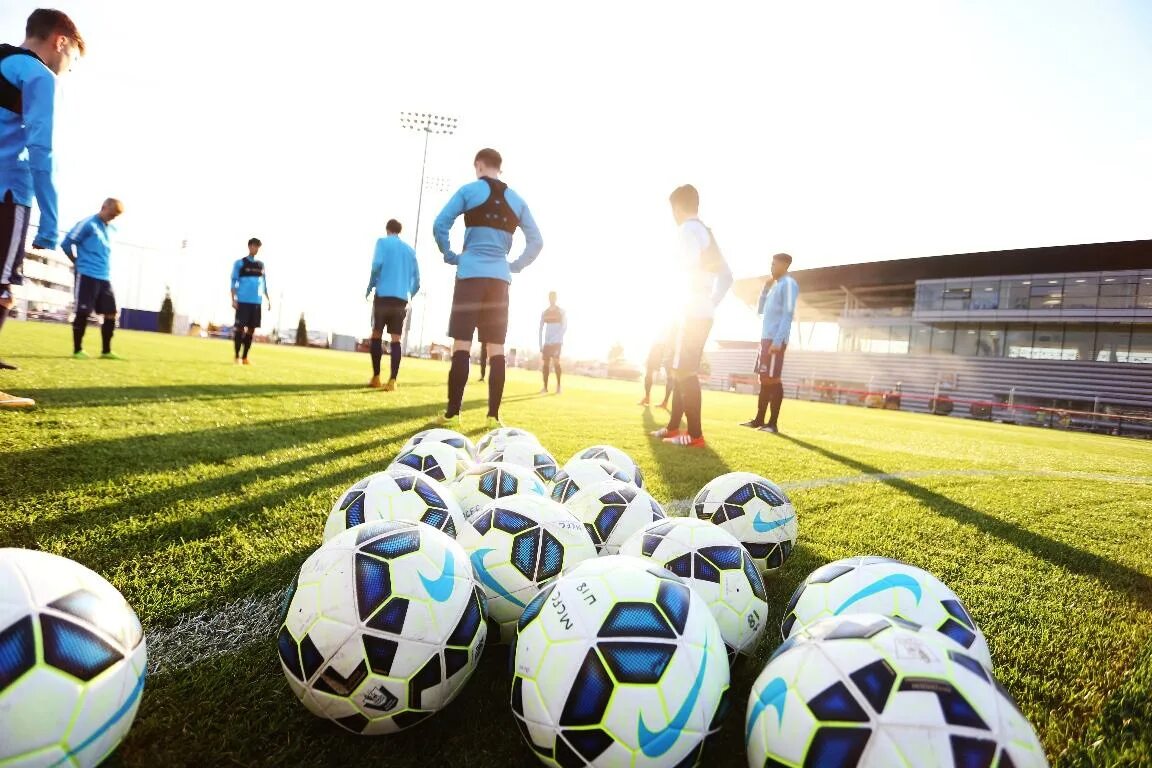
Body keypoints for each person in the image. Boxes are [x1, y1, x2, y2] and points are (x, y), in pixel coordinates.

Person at [0, 9, 84, 407]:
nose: (68, 69)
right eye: (72, 60)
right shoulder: (38, 77)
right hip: (7, 194)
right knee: (2, 290)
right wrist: (50, 220)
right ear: (60, 41)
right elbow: (40, 151)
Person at [433, 148, 542, 429]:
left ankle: (453, 413)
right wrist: (514, 265)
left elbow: (440, 224)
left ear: (479, 165)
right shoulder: (517, 200)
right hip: (498, 280)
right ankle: (493, 416)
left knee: (462, 345)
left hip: (470, 275)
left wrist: (449, 253)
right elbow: (536, 241)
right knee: (496, 348)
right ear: (499, 168)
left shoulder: (469, 190)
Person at [649, 184, 732, 447]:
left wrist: (693, 301)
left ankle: (695, 436)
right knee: (679, 370)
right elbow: (727, 277)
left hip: (690, 309)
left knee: (684, 372)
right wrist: (710, 302)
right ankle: (674, 428)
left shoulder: (687, 230)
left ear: (677, 207)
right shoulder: (707, 233)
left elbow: (683, 268)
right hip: (702, 309)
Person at [741, 253, 798, 433]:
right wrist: (765, 290)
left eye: (775, 264)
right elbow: (761, 311)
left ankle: (772, 424)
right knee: (764, 379)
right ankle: (759, 420)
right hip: (765, 339)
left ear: (785, 265)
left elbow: (788, 315)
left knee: (773, 379)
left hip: (774, 339)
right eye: (771, 264)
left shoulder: (789, 285)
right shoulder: (775, 286)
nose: (771, 267)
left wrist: (778, 340)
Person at [62, 198, 124, 359]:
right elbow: (66, 243)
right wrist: (76, 261)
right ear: (103, 207)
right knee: (83, 312)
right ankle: (77, 350)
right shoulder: (88, 223)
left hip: (105, 276)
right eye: (111, 214)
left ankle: (106, 351)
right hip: (86, 274)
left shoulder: (111, 229)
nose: (113, 218)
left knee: (111, 313)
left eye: (116, 216)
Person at [365, 218, 419, 390]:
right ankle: (392, 381)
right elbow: (417, 280)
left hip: (383, 295)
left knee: (376, 334)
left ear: (387, 229)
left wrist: (371, 286)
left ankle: (376, 377)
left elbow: (376, 266)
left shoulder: (382, 242)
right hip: (401, 299)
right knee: (396, 339)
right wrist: (409, 293)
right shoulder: (410, 251)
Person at [230, 237, 270, 365]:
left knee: (252, 330)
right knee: (240, 329)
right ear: (249, 247)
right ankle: (236, 356)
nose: (255, 249)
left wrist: (268, 299)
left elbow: (264, 283)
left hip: (256, 303)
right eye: (253, 246)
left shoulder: (260, 265)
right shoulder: (239, 263)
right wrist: (233, 299)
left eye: (258, 247)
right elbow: (233, 282)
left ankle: (245, 357)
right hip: (243, 301)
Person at [539, 290, 566, 394]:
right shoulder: (545, 313)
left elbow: (564, 328)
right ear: (548, 298)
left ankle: (559, 386)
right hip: (547, 343)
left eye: (553, 297)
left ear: (556, 298)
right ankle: (545, 387)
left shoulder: (561, 312)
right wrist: (540, 344)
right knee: (545, 364)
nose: (552, 299)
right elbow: (540, 328)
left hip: (557, 342)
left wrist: (556, 338)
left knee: (556, 362)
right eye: (550, 297)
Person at [639, 331, 673, 408]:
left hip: (666, 345)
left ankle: (664, 402)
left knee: (670, 376)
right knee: (649, 371)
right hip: (662, 344)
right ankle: (648, 398)